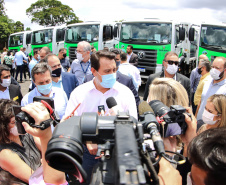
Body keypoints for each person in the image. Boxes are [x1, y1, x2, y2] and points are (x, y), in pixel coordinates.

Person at [64, 50, 137, 184]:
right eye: (107, 71)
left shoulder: (125, 93)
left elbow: (134, 125)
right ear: (93, 71)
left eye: (114, 69)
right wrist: (88, 140)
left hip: (118, 154)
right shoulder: (79, 94)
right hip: (87, 155)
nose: (112, 74)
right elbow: (70, 124)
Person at [0, 99, 41, 184]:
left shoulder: (26, 135)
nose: (20, 124)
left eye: (20, 119)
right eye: (14, 122)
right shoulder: (5, 153)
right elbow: (34, 180)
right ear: (3, 126)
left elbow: (48, 150)